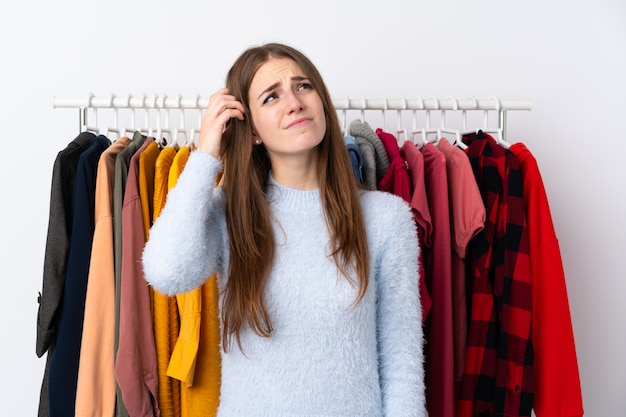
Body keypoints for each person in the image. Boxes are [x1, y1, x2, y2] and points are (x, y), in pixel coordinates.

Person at [142, 42, 425, 417]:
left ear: (321, 101)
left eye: (303, 86)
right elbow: (165, 271)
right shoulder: (232, 213)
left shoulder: (386, 219)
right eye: (271, 97)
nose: (294, 102)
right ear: (252, 130)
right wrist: (207, 155)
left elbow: (401, 361)